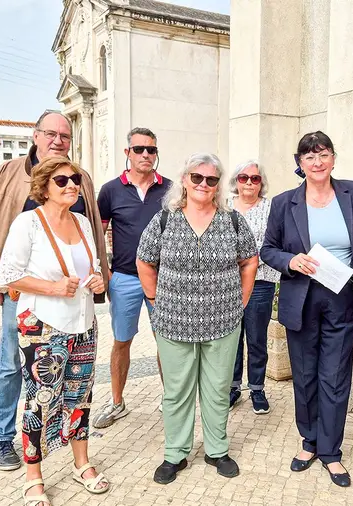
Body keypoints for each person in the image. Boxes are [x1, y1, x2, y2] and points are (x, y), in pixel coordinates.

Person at [0, 110, 109, 471]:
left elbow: (91, 238)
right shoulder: (10, 174)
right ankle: (1, 437)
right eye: (51, 133)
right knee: (11, 361)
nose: (58, 140)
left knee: (74, 373)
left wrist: (97, 280)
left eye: (65, 135)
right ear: (36, 135)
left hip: (73, 298)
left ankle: (69, 435)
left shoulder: (81, 178)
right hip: (25, 296)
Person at [261, 131, 353, 488]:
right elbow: (268, 249)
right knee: (304, 374)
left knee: (334, 375)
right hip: (301, 296)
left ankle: (331, 452)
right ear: (299, 164)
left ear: (333, 158)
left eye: (323, 155)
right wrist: (290, 260)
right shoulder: (285, 202)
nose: (317, 163)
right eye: (309, 157)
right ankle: (309, 442)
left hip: (343, 295)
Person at [136, 153, 259, 485]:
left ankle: (216, 450)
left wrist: (242, 298)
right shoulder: (164, 219)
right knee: (176, 391)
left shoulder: (231, 220)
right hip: (174, 321)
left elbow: (250, 260)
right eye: (197, 178)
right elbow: (144, 261)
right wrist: (153, 298)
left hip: (223, 320)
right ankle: (175, 453)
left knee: (218, 389)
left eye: (212, 179)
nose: (204, 184)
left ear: (219, 185)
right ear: (185, 181)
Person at [0, 156, 110, 504]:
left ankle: (82, 463)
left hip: (83, 323)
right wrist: (52, 287)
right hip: (42, 325)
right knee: (40, 400)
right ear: (44, 187)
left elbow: (92, 266)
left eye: (75, 179)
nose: (72, 185)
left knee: (81, 396)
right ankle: (34, 476)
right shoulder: (28, 223)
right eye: (62, 181)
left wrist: (96, 280)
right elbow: (8, 276)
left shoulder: (82, 223)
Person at [92, 127, 171, 429]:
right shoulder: (111, 190)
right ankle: (116, 402)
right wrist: (105, 271)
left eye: (151, 150)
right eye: (139, 149)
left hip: (163, 280)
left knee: (166, 342)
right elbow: (97, 234)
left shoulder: (171, 189)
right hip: (123, 278)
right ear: (127, 153)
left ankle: (170, 400)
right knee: (121, 341)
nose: (146, 155)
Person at [227, 160, 280, 414]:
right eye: (243, 177)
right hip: (226, 283)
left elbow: (275, 242)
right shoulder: (223, 207)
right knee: (231, 337)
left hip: (261, 281)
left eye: (255, 179)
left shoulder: (271, 208)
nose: (249, 182)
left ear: (261, 183)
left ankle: (257, 388)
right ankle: (233, 387)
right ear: (235, 181)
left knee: (257, 337)